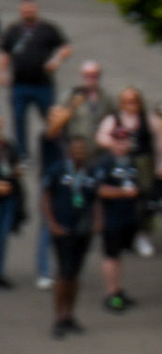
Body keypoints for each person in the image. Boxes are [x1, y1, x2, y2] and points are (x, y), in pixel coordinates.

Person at [41, 130, 99, 336]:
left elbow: (96, 200)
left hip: (82, 231)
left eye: (82, 150)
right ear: (69, 152)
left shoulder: (90, 173)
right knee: (64, 274)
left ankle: (70, 315)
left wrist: (97, 223)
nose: (79, 154)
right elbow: (46, 196)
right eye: (76, 150)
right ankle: (58, 318)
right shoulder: (58, 170)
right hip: (63, 230)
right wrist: (52, 223)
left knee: (75, 275)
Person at [0, 0, 69, 166]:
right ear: (20, 10)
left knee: (51, 120)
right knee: (19, 120)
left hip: (43, 84)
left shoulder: (48, 29)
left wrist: (56, 60)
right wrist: (2, 71)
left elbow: (66, 47)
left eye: (30, 8)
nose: (28, 12)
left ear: (36, 9)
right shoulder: (13, 30)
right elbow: (5, 53)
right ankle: (22, 155)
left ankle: (57, 151)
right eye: (25, 9)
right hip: (19, 85)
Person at [95, 85, 156, 257]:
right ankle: (121, 236)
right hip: (121, 163)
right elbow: (100, 137)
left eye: (134, 101)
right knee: (120, 198)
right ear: (121, 103)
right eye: (127, 102)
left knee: (144, 200)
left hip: (142, 164)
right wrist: (118, 145)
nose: (131, 105)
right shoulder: (114, 119)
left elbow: (160, 143)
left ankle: (143, 235)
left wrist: (160, 167)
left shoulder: (148, 119)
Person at [96, 131, 138, 311]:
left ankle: (117, 290)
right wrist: (123, 193)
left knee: (119, 255)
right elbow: (100, 190)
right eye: (118, 141)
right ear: (112, 142)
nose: (122, 145)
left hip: (126, 216)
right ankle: (110, 294)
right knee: (111, 257)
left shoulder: (131, 162)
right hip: (111, 218)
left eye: (125, 141)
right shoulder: (105, 163)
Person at [31, 98, 68, 288]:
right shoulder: (46, 135)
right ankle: (43, 272)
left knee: (65, 226)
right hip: (49, 185)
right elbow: (54, 129)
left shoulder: (65, 138)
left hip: (65, 184)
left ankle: (63, 268)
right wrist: (69, 110)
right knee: (48, 227)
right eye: (54, 114)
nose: (58, 117)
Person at [64, 58, 104, 152]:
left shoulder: (106, 98)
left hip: (98, 150)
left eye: (94, 76)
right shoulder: (71, 95)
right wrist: (72, 107)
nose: (90, 79)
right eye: (87, 75)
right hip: (76, 150)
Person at [0, 131, 18, 289]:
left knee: (3, 237)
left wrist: (17, 171)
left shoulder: (7, 146)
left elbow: (14, 164)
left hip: (8, 199)